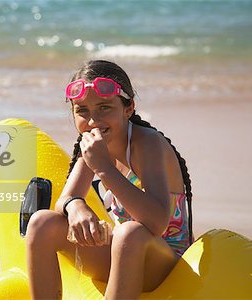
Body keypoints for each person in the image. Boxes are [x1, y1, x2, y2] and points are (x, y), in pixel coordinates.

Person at [26, 60, 193, 299]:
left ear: (128, 108)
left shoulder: (147, 144)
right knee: (42, 222)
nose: (93, 120)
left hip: (167, 262)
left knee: (129, 233)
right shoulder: (91, 149)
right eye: (82, 110)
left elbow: (156, 223)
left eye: (104, 107)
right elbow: (64, 200)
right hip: (125, 255)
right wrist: (76, 206)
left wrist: (104, 168)